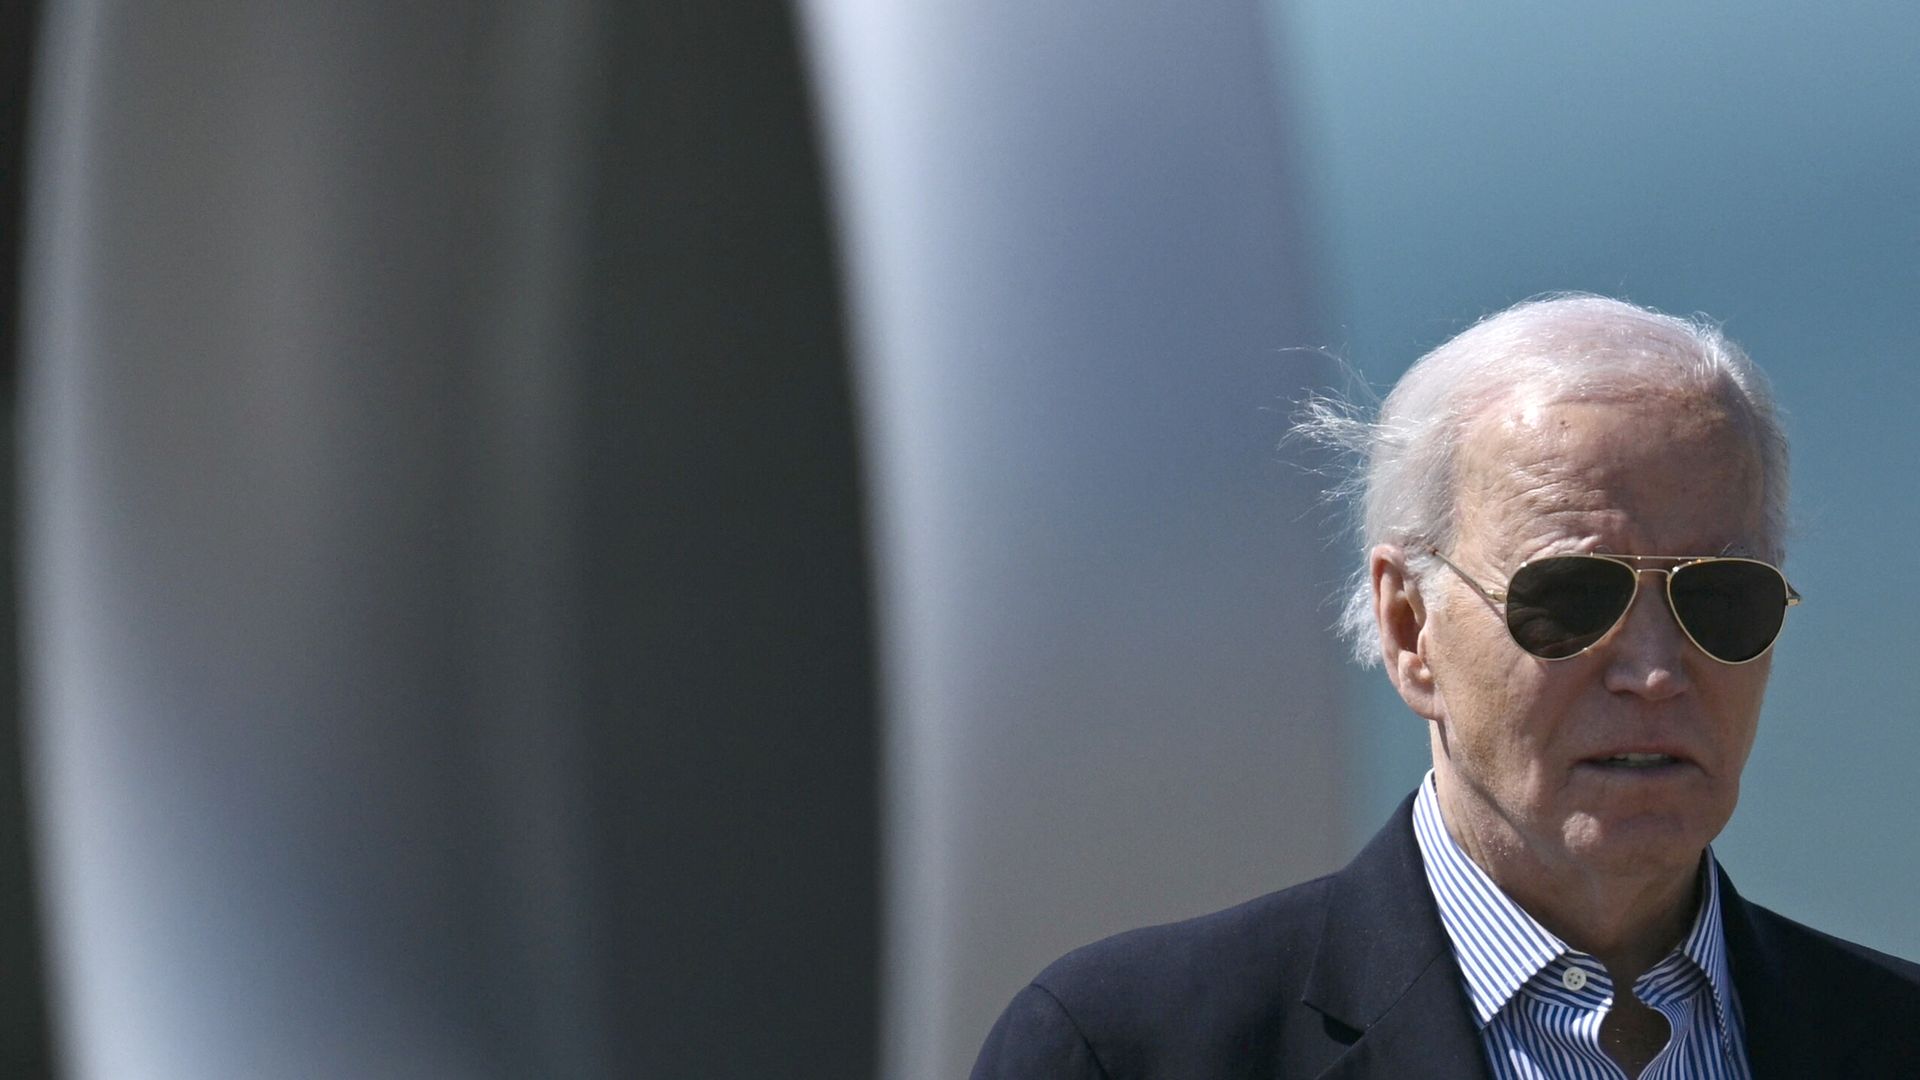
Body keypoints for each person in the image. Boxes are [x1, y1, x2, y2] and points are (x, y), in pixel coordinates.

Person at [970, 295, 1920, 1079]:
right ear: (1408, 627)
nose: (1657, 672)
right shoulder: (1132, 1053)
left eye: (1721, 598)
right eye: (1572, 597)